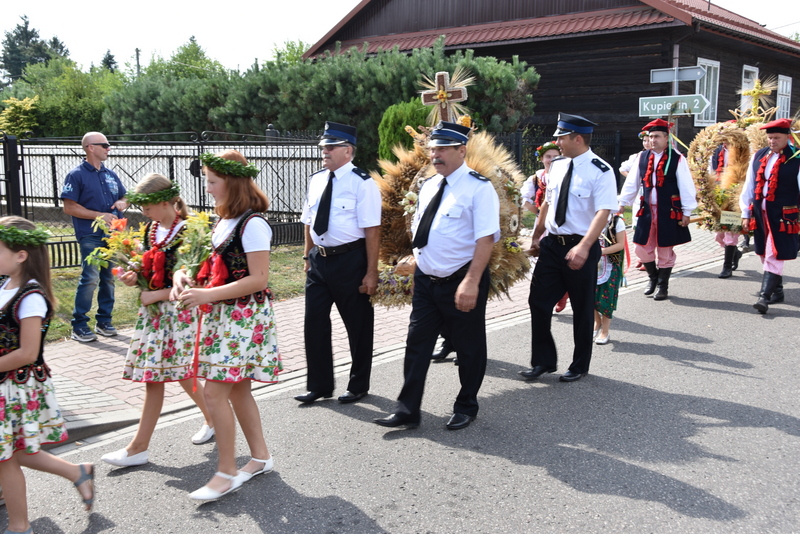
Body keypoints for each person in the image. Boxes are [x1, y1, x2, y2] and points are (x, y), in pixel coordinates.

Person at [374, 120, 500, 430]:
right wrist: (414, 260)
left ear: (461, 150)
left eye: (442, 148)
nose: (435, 154)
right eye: (433, 148)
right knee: (417, 343)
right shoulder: (428, 186)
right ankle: (407, 410)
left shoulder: (478, 188)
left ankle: (466, 405)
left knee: (468, 346)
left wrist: (471, 281)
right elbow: (426, 231)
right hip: (426, 282)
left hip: (462, 279)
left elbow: (486, 239)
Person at [173, 150, 282, 501]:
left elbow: (259, 279)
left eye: (212, 181)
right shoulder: (224, 221)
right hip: (225, 316)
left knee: (214, 392)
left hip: (243, 318)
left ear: (232, 183)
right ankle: (261, 457)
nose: (207, 189)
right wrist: (182, 275)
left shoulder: (254, 224)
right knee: (238, 390)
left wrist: (207, 295)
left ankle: (226, 471)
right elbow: (206, 264)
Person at [100, 174, 215, 469]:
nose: (143, 212)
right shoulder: (152, 228)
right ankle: (212, 418)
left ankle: (138, 447)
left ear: (166, 202)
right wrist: (134, 275)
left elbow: (194, 279)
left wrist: (156, 295)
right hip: (155, 316)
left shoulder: (190, 231)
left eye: (147, 206)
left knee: (169, 375)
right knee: (172, 375)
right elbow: (149, 266)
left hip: (179, 313)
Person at [0, 216, 96, 534]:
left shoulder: (30, 297)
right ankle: (78, 472)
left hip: (15, 388)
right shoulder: (5, 285)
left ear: (21, 255)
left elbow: (27, 352)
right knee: (14, 451)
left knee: (7, 457)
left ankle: (19, 525)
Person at [519, 113, 617, 383]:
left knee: (582, 307)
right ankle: (543, 362)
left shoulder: (601, 170)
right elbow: (548, 203)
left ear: (577, 138)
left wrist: (585, 247)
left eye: (561, 137)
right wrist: (537, 236)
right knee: (538, 301)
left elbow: (603, 212)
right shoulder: (558, 166)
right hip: (553, 244)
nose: (557, 142)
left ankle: (579, 364)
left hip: (581, 244)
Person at [295, 122, 381, 405]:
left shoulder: (363, 183)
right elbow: (308, 221)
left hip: (351, 260)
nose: (325, 151)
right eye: (323, 147)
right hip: (320, 260)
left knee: (357, 324)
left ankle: (358, 384)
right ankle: (319, 385)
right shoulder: (316, 179)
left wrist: (371, 272)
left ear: (348, 150)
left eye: (330, 146)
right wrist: (308, 256)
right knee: (314, 322)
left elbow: (372, 230)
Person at [618, 119, 697, 301]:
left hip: (668, 211)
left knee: (664, 249)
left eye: (657, 137)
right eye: (650, 137)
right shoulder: (642, 157)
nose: (653, 140)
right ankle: (652, 278)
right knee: (641, 247)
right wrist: (622, 203)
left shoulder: (677, 158)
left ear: (666, 138)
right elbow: (632, 182)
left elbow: (686, 186)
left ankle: (663, 285)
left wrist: (687, 211)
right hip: (646, 210)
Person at [61, 132, 128, 342]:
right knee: (90, 278)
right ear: (90, 147)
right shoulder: (76, 175)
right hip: (90, 234)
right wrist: (100, 215)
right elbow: (69, 207)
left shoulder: (110, 174)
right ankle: (79, 325)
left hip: (112, 235)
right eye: (105, 145)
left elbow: (124, 196)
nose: (109, 148)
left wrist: (123, 203)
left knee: (109, 278)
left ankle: (104, 322)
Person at [739, 118, 800, 313]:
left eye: (776, 138)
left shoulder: (797, 159)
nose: (772, 141)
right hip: (760, 213)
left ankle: (764, 297)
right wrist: (746, 212)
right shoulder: (759, 155)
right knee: (764, 252)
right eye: (770, 138)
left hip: (784, 215)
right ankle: (778, 291)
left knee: (774, 252)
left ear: (788, 138)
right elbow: (749, 186)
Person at [710, 141, 743, 278]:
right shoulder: (717, 150)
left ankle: (727, 266)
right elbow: (711, 169)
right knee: (719, 235)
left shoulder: (742, 150)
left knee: (731, 233)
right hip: (720, 194)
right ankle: (735, 253)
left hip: (735, 194)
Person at [594, 213, 628, 345]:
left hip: (610, 264)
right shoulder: (587, 216)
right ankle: (597, 323)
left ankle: (605, 331)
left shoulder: (615, 221)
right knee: (590, 297)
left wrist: (600, 252)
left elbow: (620, 245)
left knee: (607, 299)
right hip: (590, 264)